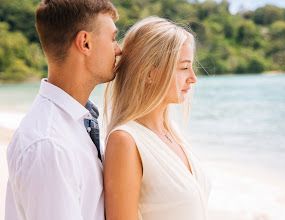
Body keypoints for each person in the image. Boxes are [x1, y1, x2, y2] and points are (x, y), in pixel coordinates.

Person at [5, 0, 121, 219]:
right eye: (113, 38)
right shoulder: (49, 145)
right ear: (85, 43)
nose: (119, 49)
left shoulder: (77, 123)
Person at [103, 17, 211, 220]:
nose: (193, 78)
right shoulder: (125, 140)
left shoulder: (171, 131)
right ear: (150, 73)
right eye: (183, 68)